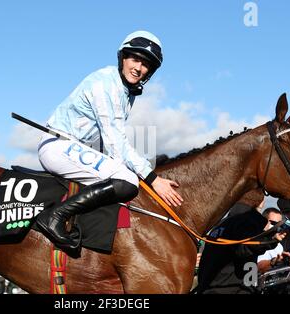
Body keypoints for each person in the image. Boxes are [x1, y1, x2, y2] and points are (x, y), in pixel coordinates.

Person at [35, 31, 183, 253]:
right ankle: (55, 216)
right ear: (122, 58)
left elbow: (109, 143)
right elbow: (116, 143)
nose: (139, 68)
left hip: (73, 147)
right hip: (58, 146)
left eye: (146, 65)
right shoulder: (106, 83)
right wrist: (152, 178)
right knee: (128, 180)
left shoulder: (127, 92)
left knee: (125, 174)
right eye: (135, 59)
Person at [196, 202, 287, 294]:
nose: (274, 226)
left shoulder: (222, 222)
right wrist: (269, 240)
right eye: (272, 223)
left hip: (213, 286)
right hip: (226, 288)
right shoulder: (246, 221)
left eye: (277, 224)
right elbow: (243, 249)